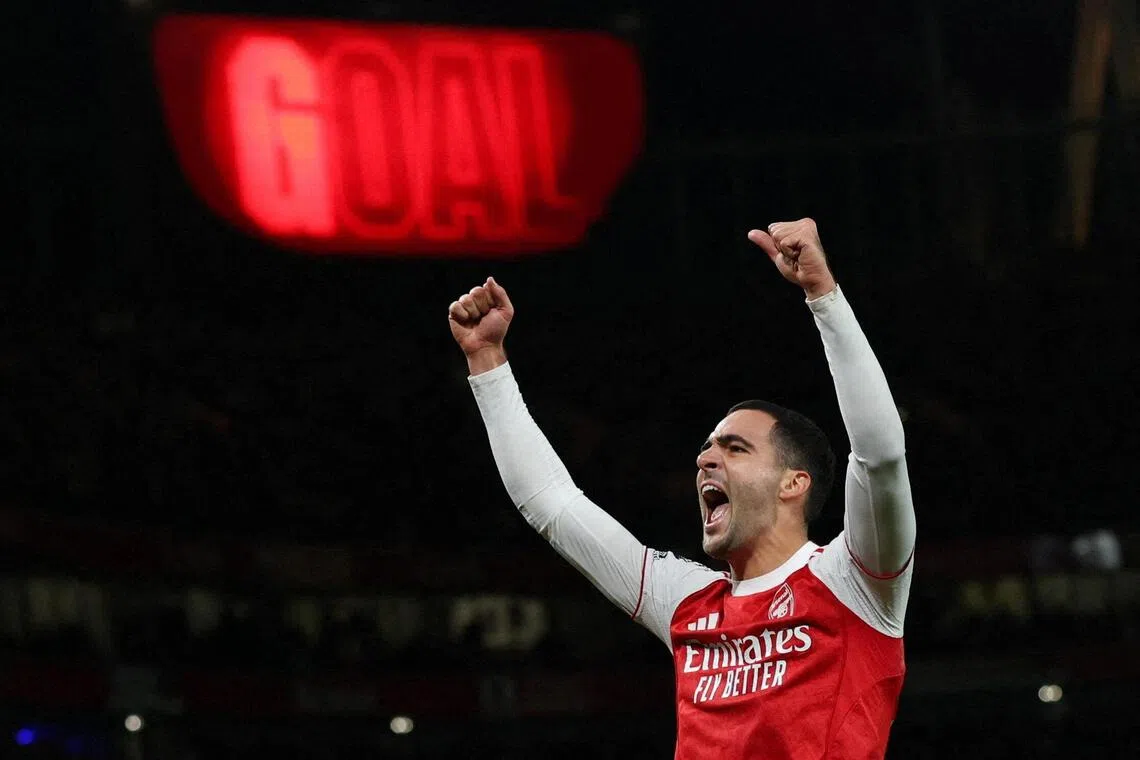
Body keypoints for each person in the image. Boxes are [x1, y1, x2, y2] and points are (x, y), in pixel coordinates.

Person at [447, 218, 916, 760]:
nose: (704, 459)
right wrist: (486, 362)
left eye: (735, 448)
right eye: (708, 447)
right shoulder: (687, 602)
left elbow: (880, 457)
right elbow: (553, 503)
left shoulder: (854, 584)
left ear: (794, 483)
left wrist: (822, 295)